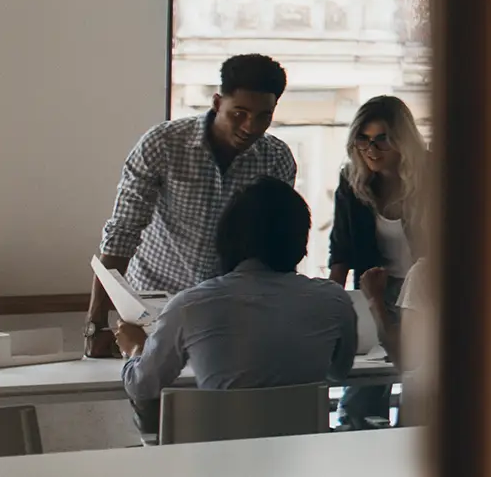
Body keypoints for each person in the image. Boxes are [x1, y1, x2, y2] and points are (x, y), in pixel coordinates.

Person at [88, 54, 295, 357]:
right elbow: (122, 232)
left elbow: (275, 245)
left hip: (228, 310)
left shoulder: (275, 158)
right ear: (217, 102)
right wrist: (96, 323)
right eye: (239, 113)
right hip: (153, 307)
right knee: (150, 385)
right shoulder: (163, 144)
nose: (250, 127)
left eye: (264, 116)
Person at [117, 178, 358, 433]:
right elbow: (339, 372)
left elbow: (142, 386)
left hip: (215, 452)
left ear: (224, 239)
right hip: (304, 452)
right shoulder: (333, 300)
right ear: (301, 241)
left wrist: (135, 348)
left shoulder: (189, 306)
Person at [326, 95, 428, 428]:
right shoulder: (352, 181)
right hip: (376, 289)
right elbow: (341, 249)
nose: (371, 150)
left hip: (424, 293)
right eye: (363, 139)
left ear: (402, 140)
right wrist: (328, 304)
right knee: (363, 393)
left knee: (418, 379)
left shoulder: (432, 175)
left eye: (381, 140)